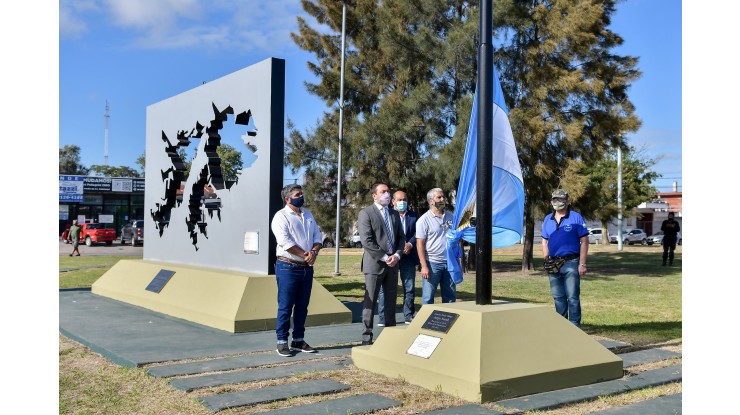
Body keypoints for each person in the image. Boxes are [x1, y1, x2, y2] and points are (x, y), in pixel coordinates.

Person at [270, 184, 323, 357]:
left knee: (302, 306)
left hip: (306, 268)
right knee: (285, 306)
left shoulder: (307, 214)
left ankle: (298, 340)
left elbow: (318, 236)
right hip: (287, 267)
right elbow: (285, 241)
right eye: (297, 194)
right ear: (287, 199)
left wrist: (313, 252)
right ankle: (282, 342)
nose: (301, 196)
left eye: (301, 193)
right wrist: (304, 255)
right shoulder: (281, 217)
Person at [357, 182, 404, 345]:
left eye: (388, 192)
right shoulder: (366, 213)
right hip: (375, 264)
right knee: (370, 300)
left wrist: (397, 255)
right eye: (383, 192)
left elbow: (401, 238)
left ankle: (390, 333)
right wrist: (385, 257)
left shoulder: (394, 214)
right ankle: (366, 336)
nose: (387, 194)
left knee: (391, 299)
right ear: (374, 195)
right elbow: (367, 241)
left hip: (393, 264)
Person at [541, 189, 589, 327]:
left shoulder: (576, 217)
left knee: (572, 297)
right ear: (551, 202)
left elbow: (584, 241)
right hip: (553, 263)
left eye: (561, 199)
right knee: (558, 297)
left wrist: (582, 264)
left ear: (568, 201)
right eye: (555, 200)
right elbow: (545, 241)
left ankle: (575, 326)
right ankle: (561, 326)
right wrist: (546, 259)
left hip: (571, 262)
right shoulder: (547, 219)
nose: (558, 202)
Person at [378, 190, 419, 325]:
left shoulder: (414, 216)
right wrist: (398, 250)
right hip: (392, 257)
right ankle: (383, 318)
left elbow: (417, 233)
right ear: (393, 201)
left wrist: (410, 244)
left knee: (409, 287)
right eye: (400, 200)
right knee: (386, 289)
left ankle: (408, 315)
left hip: (408, 257)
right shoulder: (388, 215)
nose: (403, 202)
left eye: (405, 199)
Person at [416, 188, 456, 305]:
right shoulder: (423, 220)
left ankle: (449, 321)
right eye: (439, 197)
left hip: (449, 262)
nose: (442, 199)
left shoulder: (451, 217)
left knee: (450, 297)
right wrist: (424, 266)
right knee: (428, 297)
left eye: (443, 197)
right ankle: (426, 322)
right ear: (430, 201)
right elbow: (420, 244)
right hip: (432, 263)